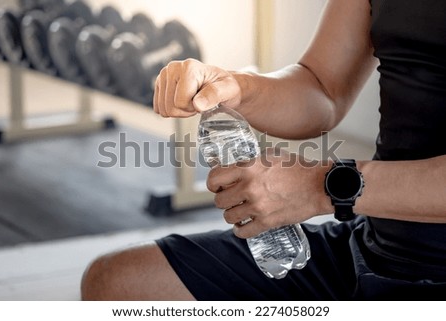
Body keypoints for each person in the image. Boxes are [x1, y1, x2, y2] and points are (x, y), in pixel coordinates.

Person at [80, 0, 446, 300]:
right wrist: (237, 88)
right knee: (117, 283)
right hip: (378, 245)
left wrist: (321, 186)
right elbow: (322, 88)